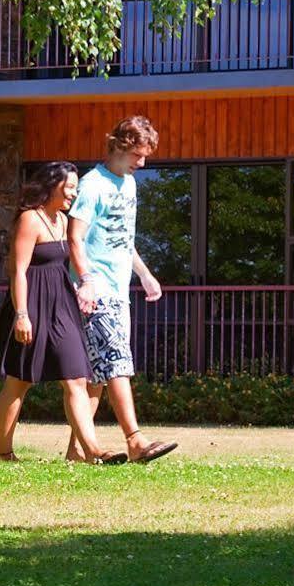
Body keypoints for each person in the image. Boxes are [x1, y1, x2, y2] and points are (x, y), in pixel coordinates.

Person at [0, 161, 126, 465]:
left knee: (77, 377)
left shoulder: (65, 222)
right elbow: (18, 272)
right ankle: (4, 452)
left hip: (61, 305)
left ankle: (90, 450)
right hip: (31, 303)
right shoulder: (30, 219)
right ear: (51, 185)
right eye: (69, 188)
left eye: (75, 189)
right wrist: (22, 314)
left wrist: (84, 287)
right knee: (18, 382)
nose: (73, 194)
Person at [67, 115, 179, 464]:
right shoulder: (92, 185)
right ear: (119, 146)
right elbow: (74, 238)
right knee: (116, 362)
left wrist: (145, 275)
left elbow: (123, 240)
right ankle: (135, 439)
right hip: (94, 290)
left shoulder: (128, 185)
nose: (142, 163)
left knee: (98, 374)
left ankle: (77, 451)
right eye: (138, 155)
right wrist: (86, 281)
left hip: (119, 290)